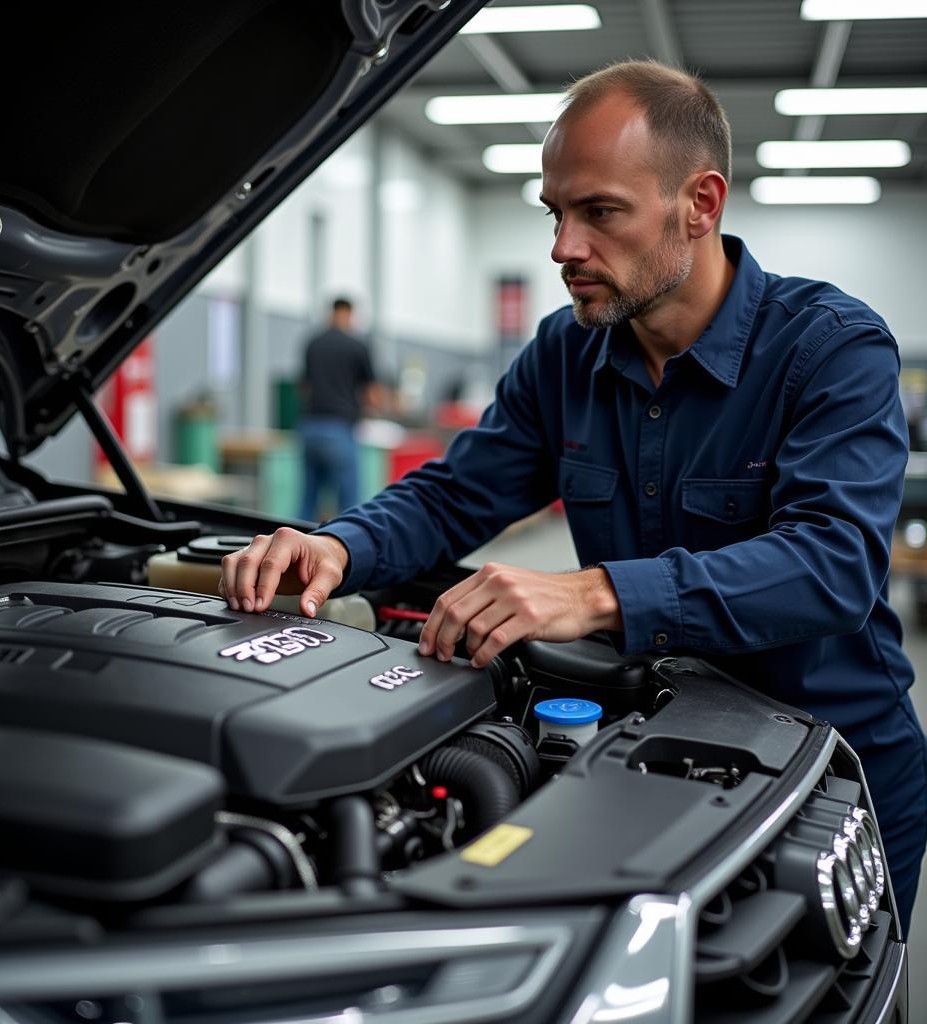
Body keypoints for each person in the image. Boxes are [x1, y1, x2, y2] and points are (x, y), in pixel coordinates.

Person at [222, 60, 926, 932]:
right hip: (647, 750)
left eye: (600, 212)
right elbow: (452, 496)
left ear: (700, 204)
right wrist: (339, 546)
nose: (563, 248)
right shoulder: (566, 354)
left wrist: (594, 593)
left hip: (826, 770)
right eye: (555, 213)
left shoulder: (830, 348)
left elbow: (833, 566)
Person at [296, 297, 381, 522]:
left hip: (310, 427)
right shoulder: (357, 346)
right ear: (350, 314)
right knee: (348, 505)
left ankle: (294, 550)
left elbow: (304, 388)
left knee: (308, 500)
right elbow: (371, 394)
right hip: (339, 428)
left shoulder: (313, 343)